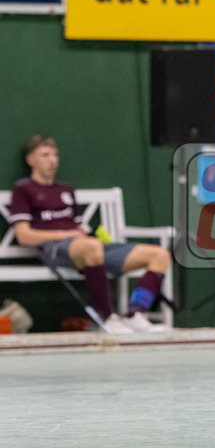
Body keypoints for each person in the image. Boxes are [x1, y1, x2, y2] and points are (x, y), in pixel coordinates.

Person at [10, 135, 172, 334]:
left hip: (85, 247)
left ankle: (136, 315)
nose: (52, 160)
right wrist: (66, 233)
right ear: (31, 160)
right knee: (92, 247)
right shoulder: (23, 189)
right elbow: (24, 236)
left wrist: (83, 234)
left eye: (55, 154)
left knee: (159, 255)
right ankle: (108, 318)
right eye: (45, 155)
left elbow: (78, 227)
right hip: (53, 248)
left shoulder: (66, 190)